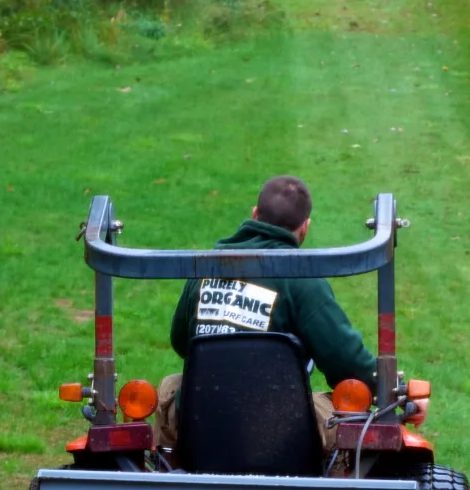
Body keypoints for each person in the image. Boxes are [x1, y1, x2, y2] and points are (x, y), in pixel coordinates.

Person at [152, 175, 377, 452]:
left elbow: (180, 342)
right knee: (355, 414)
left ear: (255, 215)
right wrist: (391, 388)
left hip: (202, 420)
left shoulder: (205, 269)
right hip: (281, 432)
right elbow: (349, 365)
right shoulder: (303, 281)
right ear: (304, 228)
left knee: (171, 387)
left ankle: (174, 479)